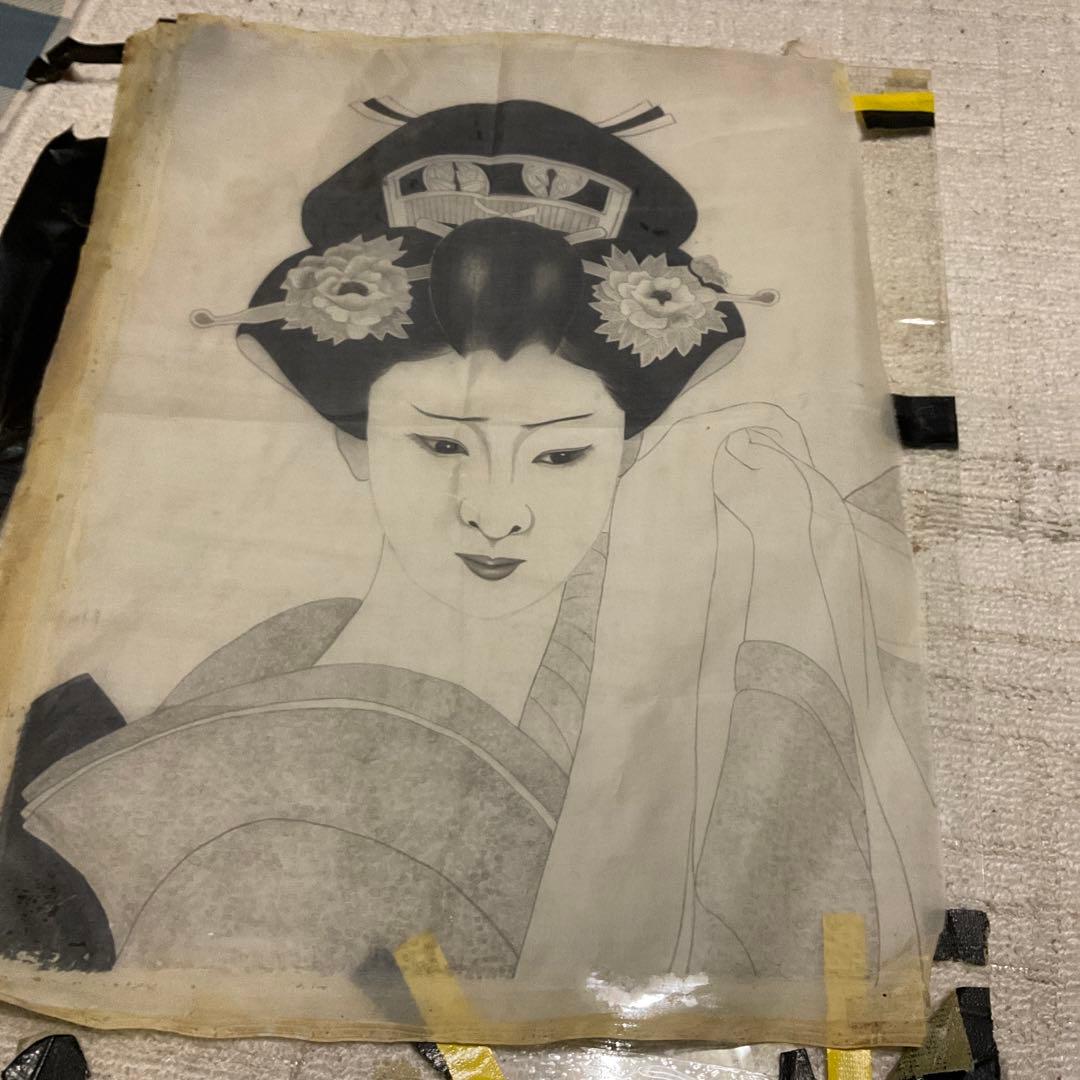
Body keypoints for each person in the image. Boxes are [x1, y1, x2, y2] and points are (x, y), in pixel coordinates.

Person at [1, 101, 938, 998]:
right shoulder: (250, 684)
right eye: (441, 445)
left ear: (628, 451)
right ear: (356, 439)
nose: (496, 514)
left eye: (562, 454)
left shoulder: (716, 681)